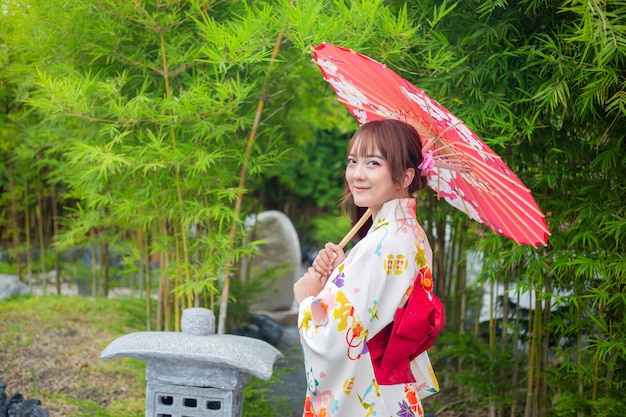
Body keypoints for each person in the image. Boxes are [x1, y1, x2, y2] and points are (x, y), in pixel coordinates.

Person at [293, 119, 443, 417]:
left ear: (404, 175)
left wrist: (308, 299)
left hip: (371, 393)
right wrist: (341, 271)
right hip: (391, 390)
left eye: (372, 163)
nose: (357, 174)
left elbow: (338, 336)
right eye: (352, 161)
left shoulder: (384, 243)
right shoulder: (408, 233)